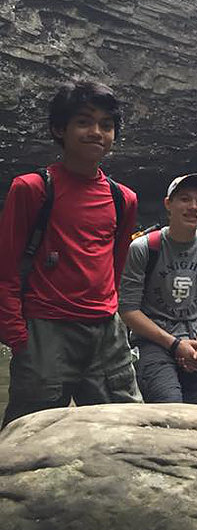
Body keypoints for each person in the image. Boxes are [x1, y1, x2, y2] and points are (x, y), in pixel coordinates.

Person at [0, 81, 141, 426]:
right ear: (59, 129)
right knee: (31, 433)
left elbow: (115, 265)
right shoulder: (32, 189)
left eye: (106, 125)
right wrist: (18, 336)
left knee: (128, 427)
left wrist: (115, 319)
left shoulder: (124, 199)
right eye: (84, 121)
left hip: (106, 333)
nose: (97, 132)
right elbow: (5, 267)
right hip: (46, 331)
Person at [119, 173, 197, 409]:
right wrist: (175, 345)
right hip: (153, 343)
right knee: (170, 409)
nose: (193, 207)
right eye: (185, 199)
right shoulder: (144, 248)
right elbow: (128, 309)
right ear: (168, 204)